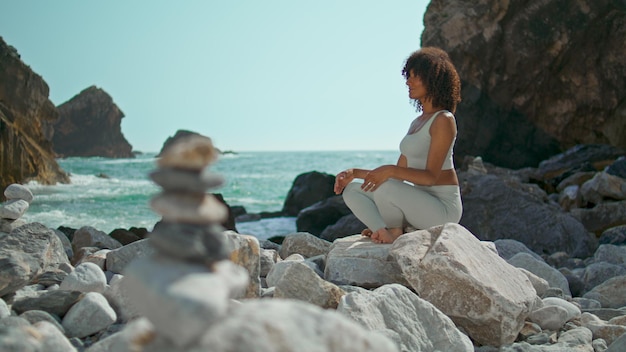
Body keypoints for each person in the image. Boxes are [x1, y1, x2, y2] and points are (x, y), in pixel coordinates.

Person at [334, 47, 463, 244]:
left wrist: (390, 172)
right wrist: (354, 173)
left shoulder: (443, 120)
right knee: (352, 190)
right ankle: (382, 231)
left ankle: (394, 231)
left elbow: (430, 177)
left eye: (414, 76)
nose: (408, 82)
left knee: (387, 187)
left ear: (433, 79)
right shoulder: (417, 122)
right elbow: (400, 173)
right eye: (408, 76)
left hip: (442, 209)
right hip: (418, 203)